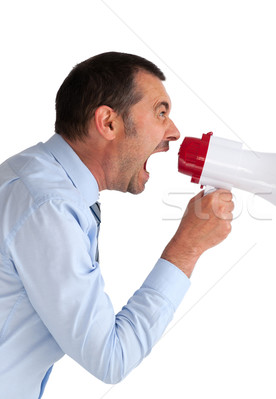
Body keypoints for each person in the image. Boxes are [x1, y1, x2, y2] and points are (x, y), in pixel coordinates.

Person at [0, 52, 234, 398]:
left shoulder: (35, 175)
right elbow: (111, 358)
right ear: (108, 122)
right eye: (161, 112)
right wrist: (189, 245)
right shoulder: (51, 207)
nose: (174, 131)